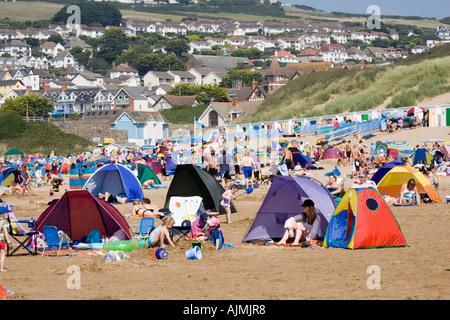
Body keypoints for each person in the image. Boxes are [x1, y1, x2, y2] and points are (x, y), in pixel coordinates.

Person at [0, 207, 12, 272]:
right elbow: (5, 231)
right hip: (2, 241)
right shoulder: (5, 222)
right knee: (2, 255)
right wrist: (8, 240)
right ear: (4, 215)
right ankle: (1, 268)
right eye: (7, 213)